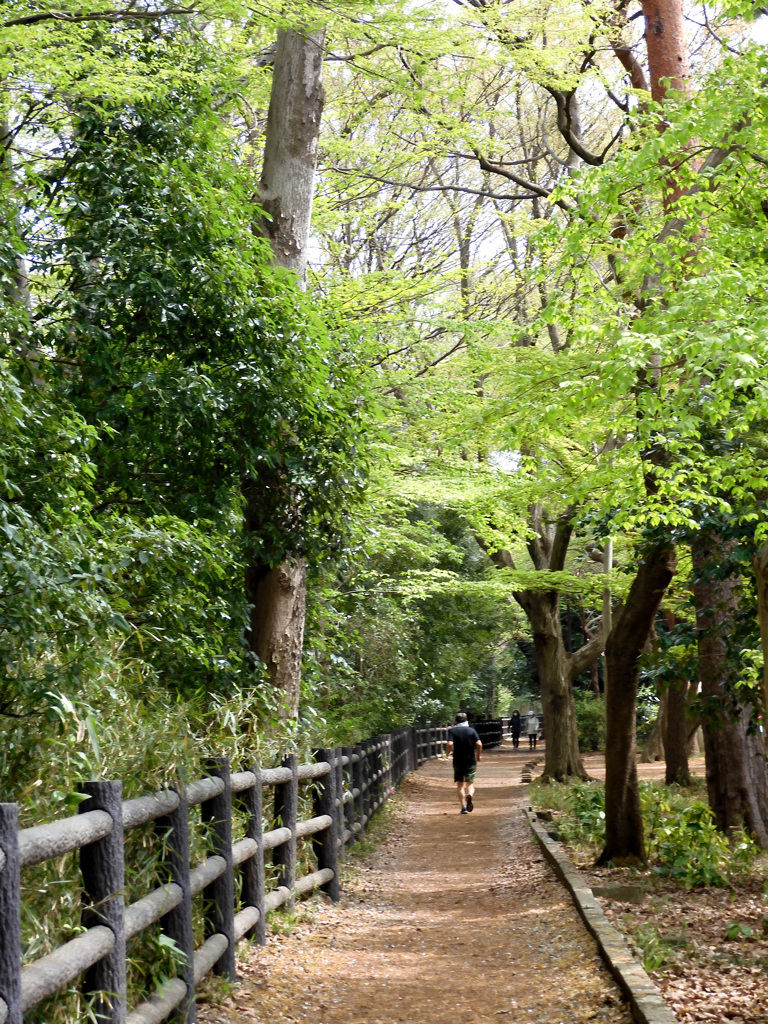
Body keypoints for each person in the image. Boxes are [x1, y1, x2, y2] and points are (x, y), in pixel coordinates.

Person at [445, 712, 482, 813]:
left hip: (458, 760)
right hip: (470, 760)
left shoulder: (453, 731)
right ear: (466, 721)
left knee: (460, 784)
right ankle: (469, 795)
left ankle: (463, 807)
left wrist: (447, 753)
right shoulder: (472, 731)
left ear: (456, 721)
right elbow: (479, 744)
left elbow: (449, 743)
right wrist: (478, 755)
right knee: (470, 783)